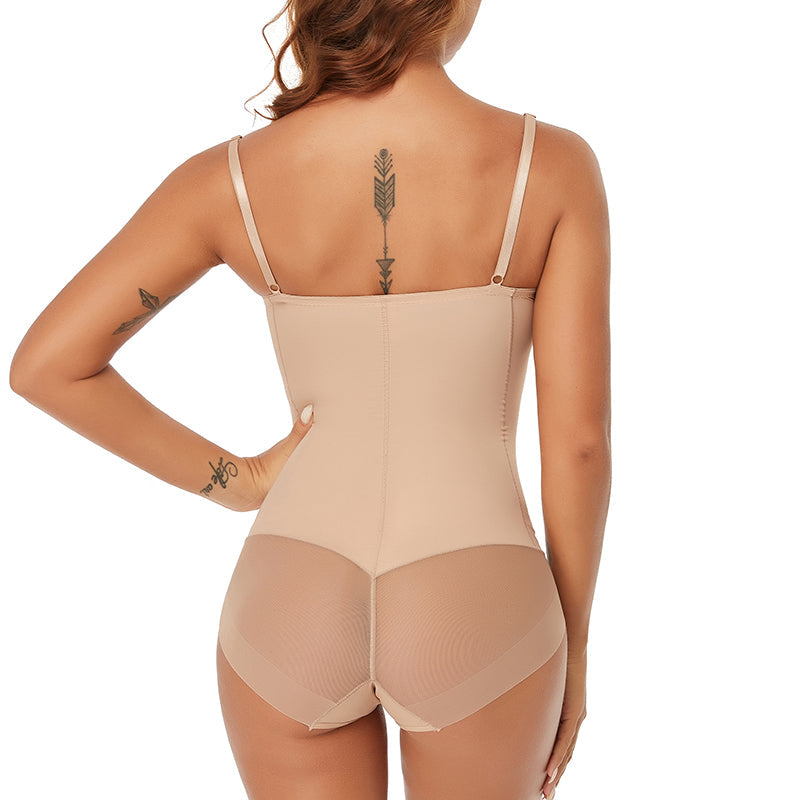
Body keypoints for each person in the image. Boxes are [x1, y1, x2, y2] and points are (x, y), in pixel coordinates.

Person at [9, 0, 611, 797]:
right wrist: (574, 646)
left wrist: (241, 481)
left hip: (290, 598)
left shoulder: (232, 180)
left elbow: (48, 365)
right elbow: (579, 443)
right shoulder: (549, 166)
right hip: (478, 601)